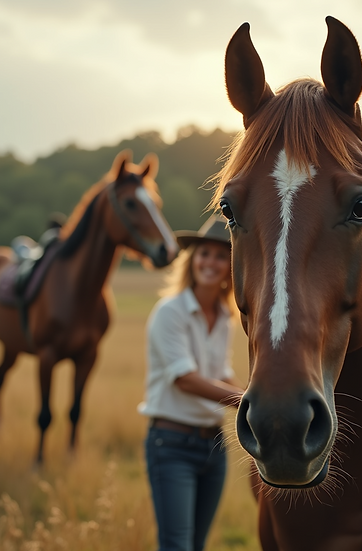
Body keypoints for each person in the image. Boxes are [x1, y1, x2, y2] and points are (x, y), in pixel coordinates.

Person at [139, 214, 245, 551]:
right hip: (171, 445)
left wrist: (251, 393)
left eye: (220, 255)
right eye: (204, 254)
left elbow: (220, 372)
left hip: (214, 447)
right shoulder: (170, 312)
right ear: (192, 259)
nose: (210, 262)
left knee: (196, 546)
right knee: (177, 547)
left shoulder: (225, 317)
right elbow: (186, 380)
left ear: (232, 266)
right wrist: (249, 404)